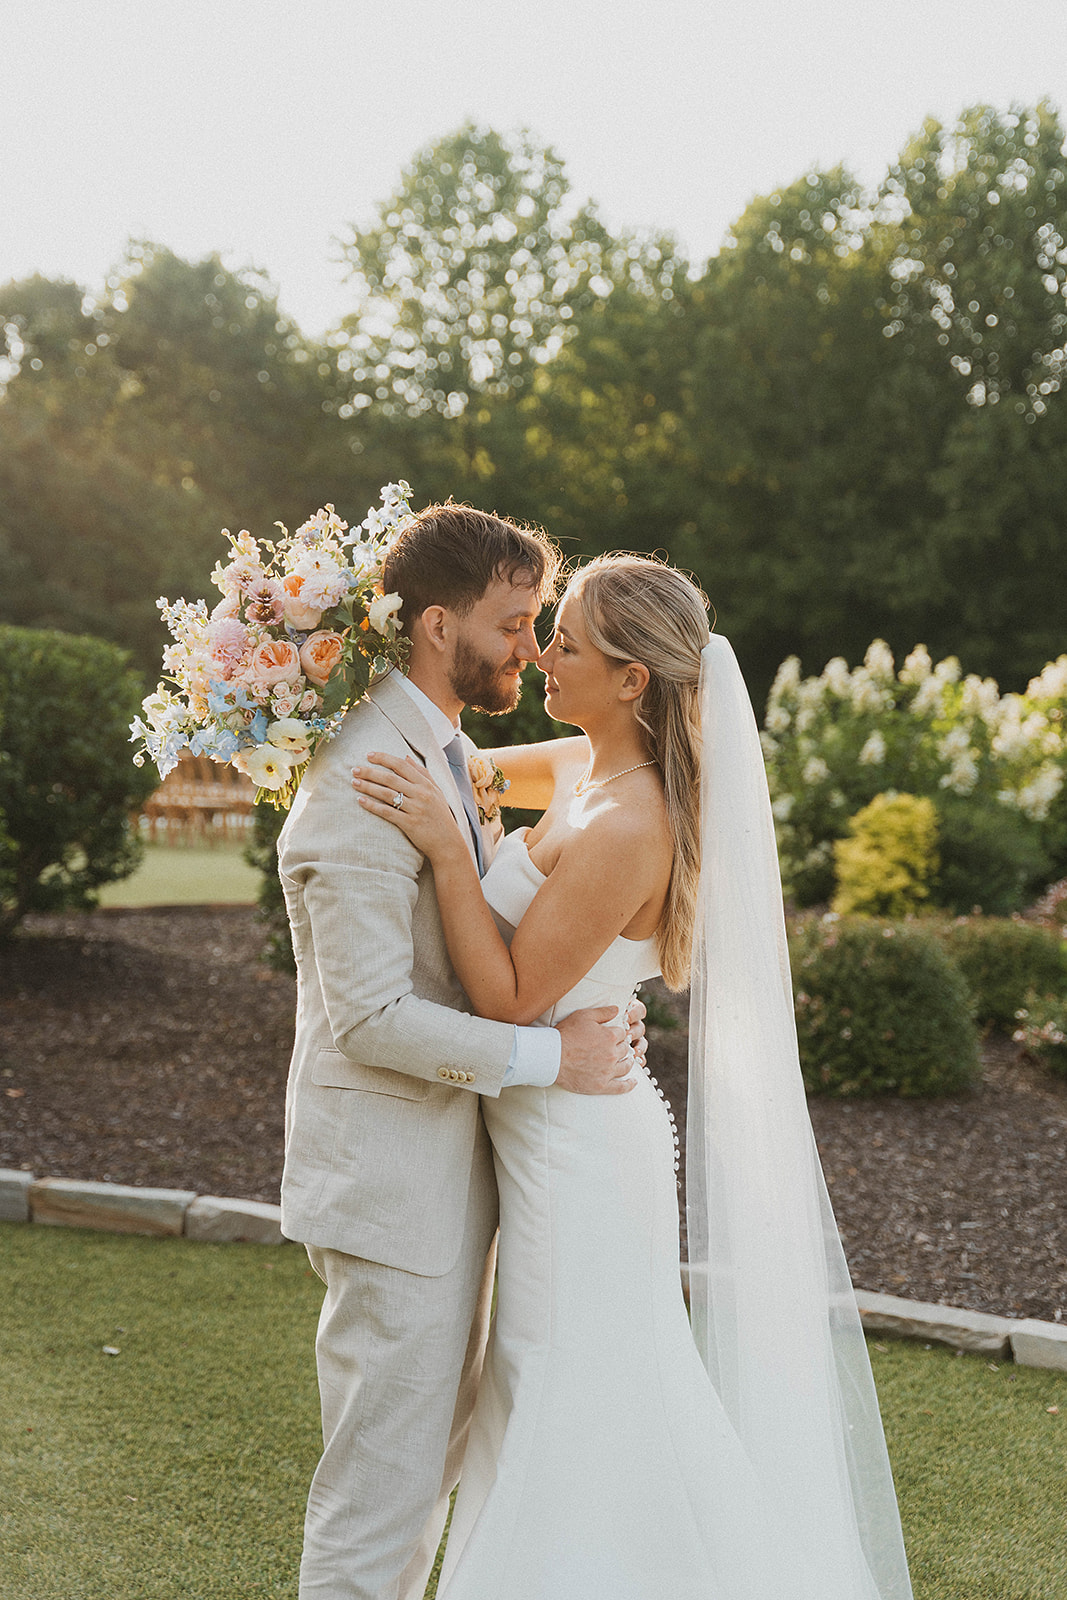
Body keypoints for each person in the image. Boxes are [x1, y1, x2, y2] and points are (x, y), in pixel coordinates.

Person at [354, 553, 915, 1599]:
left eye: (563, 640)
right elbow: (464, 761)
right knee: (555, 1392)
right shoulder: (582, 774)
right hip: (551, 1135)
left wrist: (443, 849)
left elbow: (512, 998)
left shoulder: (629, 823)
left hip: (580, 1159)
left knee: (569, 1394)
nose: (538, 652)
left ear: (630, 681)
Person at [277, 506, 644, 1600]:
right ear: (438, 625)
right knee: (379, 1495)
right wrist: (552, 1060)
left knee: (426, 1474)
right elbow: (373, 1016)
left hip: (452, 1181)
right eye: (517, 622)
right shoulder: (359, 778)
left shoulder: (439, 752)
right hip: (390, 1193)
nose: (530, 649)